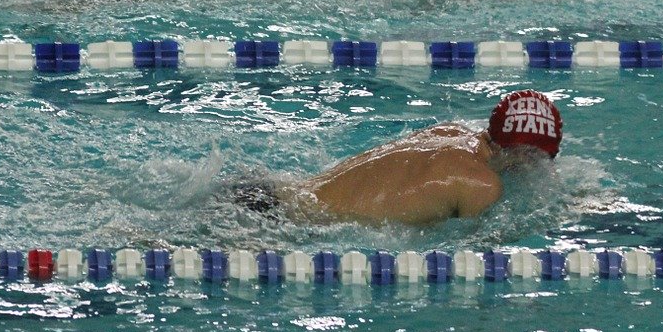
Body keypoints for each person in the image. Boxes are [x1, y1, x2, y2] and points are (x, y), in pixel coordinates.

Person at [231, 89, 563, 226]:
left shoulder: (448, 132)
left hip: (270, 191)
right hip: (283, 225)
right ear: (526, 154)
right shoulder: (481, 185)